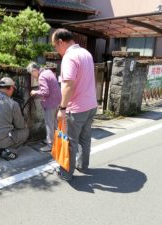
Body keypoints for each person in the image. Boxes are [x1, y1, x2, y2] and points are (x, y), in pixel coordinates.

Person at [51, 28, 98, 181]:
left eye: (55, 46)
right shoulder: (86, 53)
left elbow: (68, 84)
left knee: (71, 142)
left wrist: (62, 108)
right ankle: (83, 165)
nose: (57, 50)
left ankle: (66, 173)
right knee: (85, 137)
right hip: (91, 104)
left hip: (76, 108)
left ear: (60, 42)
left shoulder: (69, 57)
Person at [26, 62, 61, 152]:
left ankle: (50, 145)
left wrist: (35, 92)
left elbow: (45, 92)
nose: (32, 76)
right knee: (55, 124)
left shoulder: (41, 77)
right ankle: (57, 141)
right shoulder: (48, 72)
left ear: (34, 70)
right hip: (57, 101)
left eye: (31, 74)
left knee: (49, 124)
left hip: (50, 103)